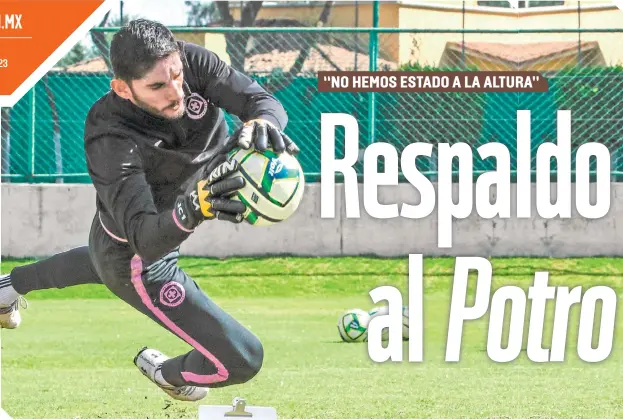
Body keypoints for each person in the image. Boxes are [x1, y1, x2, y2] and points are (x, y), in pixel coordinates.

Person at [0, 18, 299, 402]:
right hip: (138, 254)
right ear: (122, 88)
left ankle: (7, 287)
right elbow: (144, 239)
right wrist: (194, 208)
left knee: (96, 260)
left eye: (176, 75)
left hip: (118, 234)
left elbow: (261, 100)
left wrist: (263, 122)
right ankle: (165, 372)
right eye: (157, 86)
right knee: (242, 358)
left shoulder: (190, 62)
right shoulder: (108, 135)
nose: (176, 92)